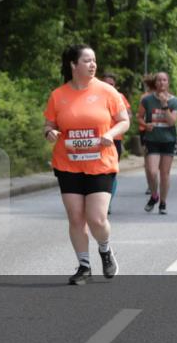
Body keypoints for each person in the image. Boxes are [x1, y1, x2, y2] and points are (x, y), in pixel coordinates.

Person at [45, 48, 128, 285]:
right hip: (68, 163)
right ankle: (84, 266)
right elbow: (49, 124)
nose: (92, 65)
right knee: (75, 217)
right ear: (73, 65)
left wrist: (111, 134)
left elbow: (124, 121)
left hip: (100, 162)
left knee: (97, 218)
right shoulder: (58, 95)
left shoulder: (107, 91)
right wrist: (50, 133)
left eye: (94, 60)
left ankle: (105, 249)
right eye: (87, 60)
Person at [137, 72, 177, 215]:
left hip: (168, 140)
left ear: (168, 83)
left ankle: (162, 203)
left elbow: (171, 121)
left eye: (164, 80)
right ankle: (154, 196)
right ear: (155, 83)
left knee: (165, 174)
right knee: (151, 171)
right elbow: (139, 117)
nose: (162, 83)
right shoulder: (147, 100)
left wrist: (164, 105)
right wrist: (145, 124)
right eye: (159, 80)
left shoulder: (175, 101)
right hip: (152, 139)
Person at [100, 72, 130, 214]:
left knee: (110, 173)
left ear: (115, 86)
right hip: (96, 140)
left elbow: (128, 116)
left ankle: (108, 202)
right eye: (105, 83)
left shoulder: (120, 97)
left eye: (111, 84)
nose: (108, 86)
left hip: (114, 140)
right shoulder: (95, 96)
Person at [139, 74, 157, 195]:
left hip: (145, 130)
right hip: (154, 129)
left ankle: (151, 185)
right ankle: (152, 184)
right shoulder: (162, 96)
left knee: (148, 160)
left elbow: (139, 115)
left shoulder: (144, 96)